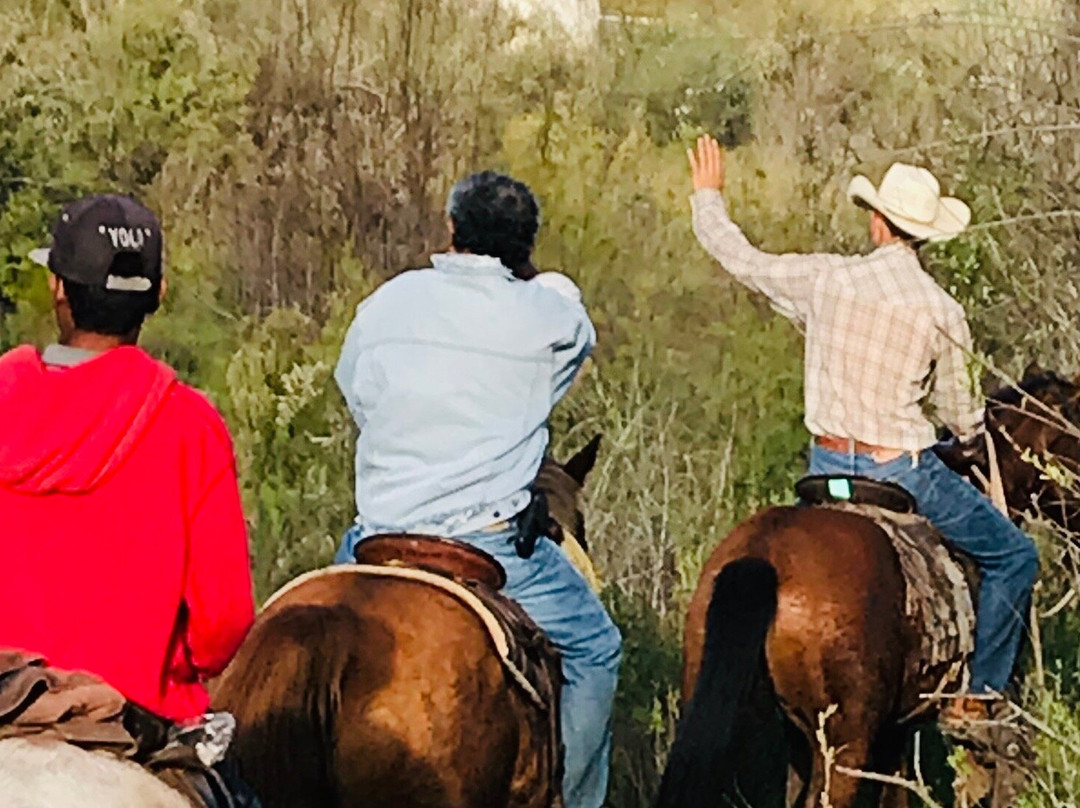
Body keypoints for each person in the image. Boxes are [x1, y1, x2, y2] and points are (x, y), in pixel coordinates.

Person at [687, 135, 1039, 723]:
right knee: (1014, 557)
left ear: (876, 222)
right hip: (902, 471)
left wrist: (708, 198)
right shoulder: (941, 310)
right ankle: (982, 697)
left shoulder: (828, 280)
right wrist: (969, 442)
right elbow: (963, 416)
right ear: (924, 234)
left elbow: (744, 260)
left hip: (824, 470)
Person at [333, 170, 622, 808]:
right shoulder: (547, 314)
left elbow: (357, 393)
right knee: (598, 651)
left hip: (376, 535)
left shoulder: (389, 300)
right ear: (527, 245)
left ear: (452, 230)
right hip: (486, 542)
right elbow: (574, 329)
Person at [0, 194, 256, 722]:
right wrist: (168, 662)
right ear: (158, 294)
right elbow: (223, 624)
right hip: (135, 715)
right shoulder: (191, 426)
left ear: (58, 287)